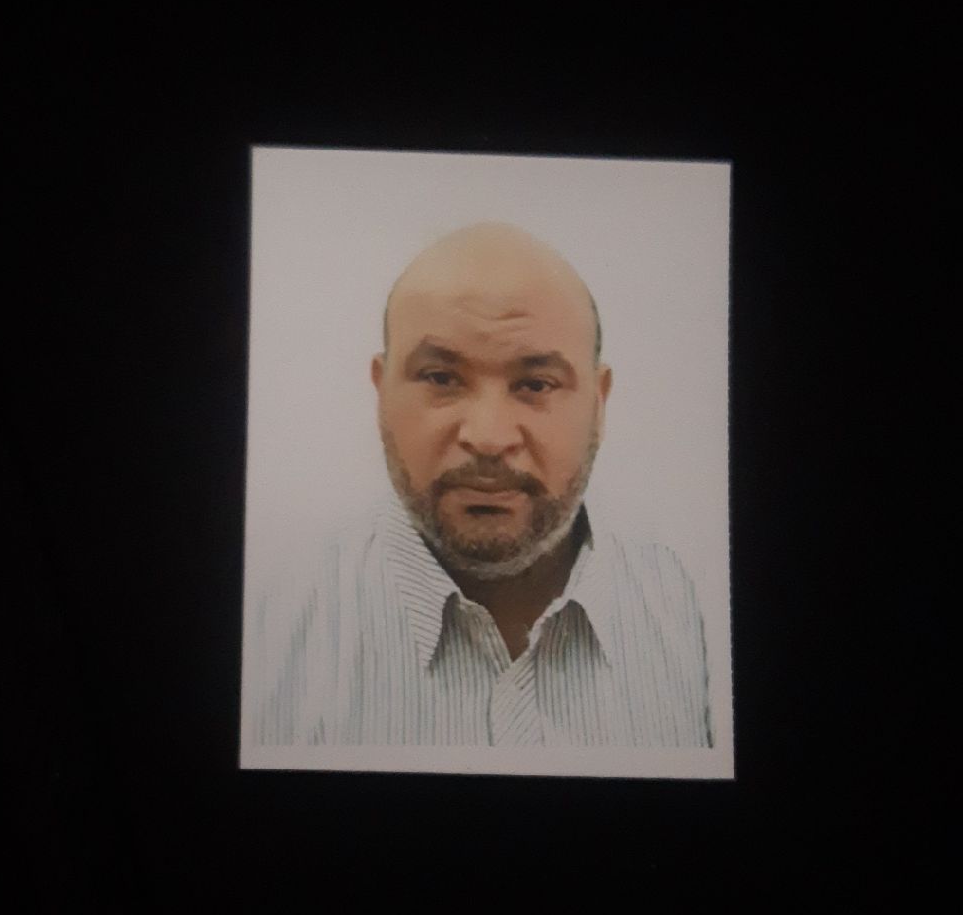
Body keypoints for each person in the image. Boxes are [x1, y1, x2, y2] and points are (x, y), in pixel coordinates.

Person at [248, 221, 712, 749]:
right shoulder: (266, 639)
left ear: (599, 403)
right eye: (441, 378)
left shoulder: (698, 625)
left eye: (535, 384)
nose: (488, 438)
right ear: (380, 392)